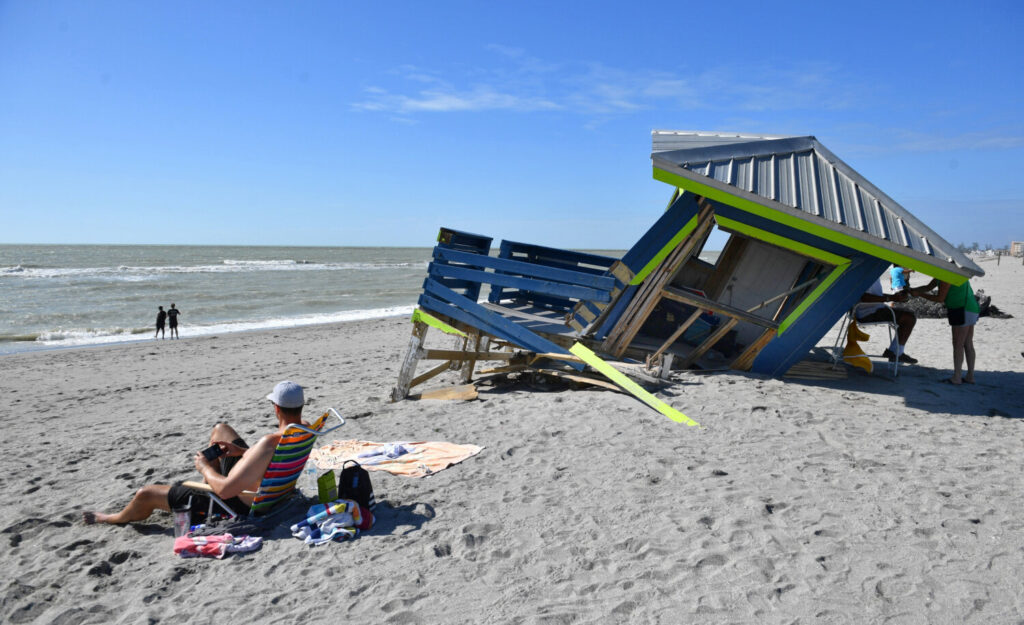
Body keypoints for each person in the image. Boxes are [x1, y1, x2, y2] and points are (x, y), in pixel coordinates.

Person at [83, 381, 307, 525]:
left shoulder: (269, 442)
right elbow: (274, 459)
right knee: (222, 429)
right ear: (301, 406)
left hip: (239, 502)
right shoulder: (303, 429)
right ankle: (200, 495)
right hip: (270, 487)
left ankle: (113, 518)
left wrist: (205, 468)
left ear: (276, 408)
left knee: (146, 494)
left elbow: (227, 491)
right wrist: (242, 452)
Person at [914, 279, 978, 385]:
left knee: (958, 344)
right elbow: (928, 287)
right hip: (970, 307)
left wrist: (920, 294)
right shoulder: (947, 273)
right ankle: (970, 376)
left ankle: (957, 377)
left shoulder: (946, 276)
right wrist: (912, 290)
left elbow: (940, 298)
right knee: (968, 343)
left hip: (961, 308)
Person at [856, 276, 919, 364]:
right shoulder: (867, 275)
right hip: (869, 312)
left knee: (907, 316)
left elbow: (875, 296)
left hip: (870, 310)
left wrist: (893, 297)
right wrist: (890, 298)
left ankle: (894, 351)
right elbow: (865, 298)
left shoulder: (869, 273)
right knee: (909, 318)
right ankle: (896, 353)